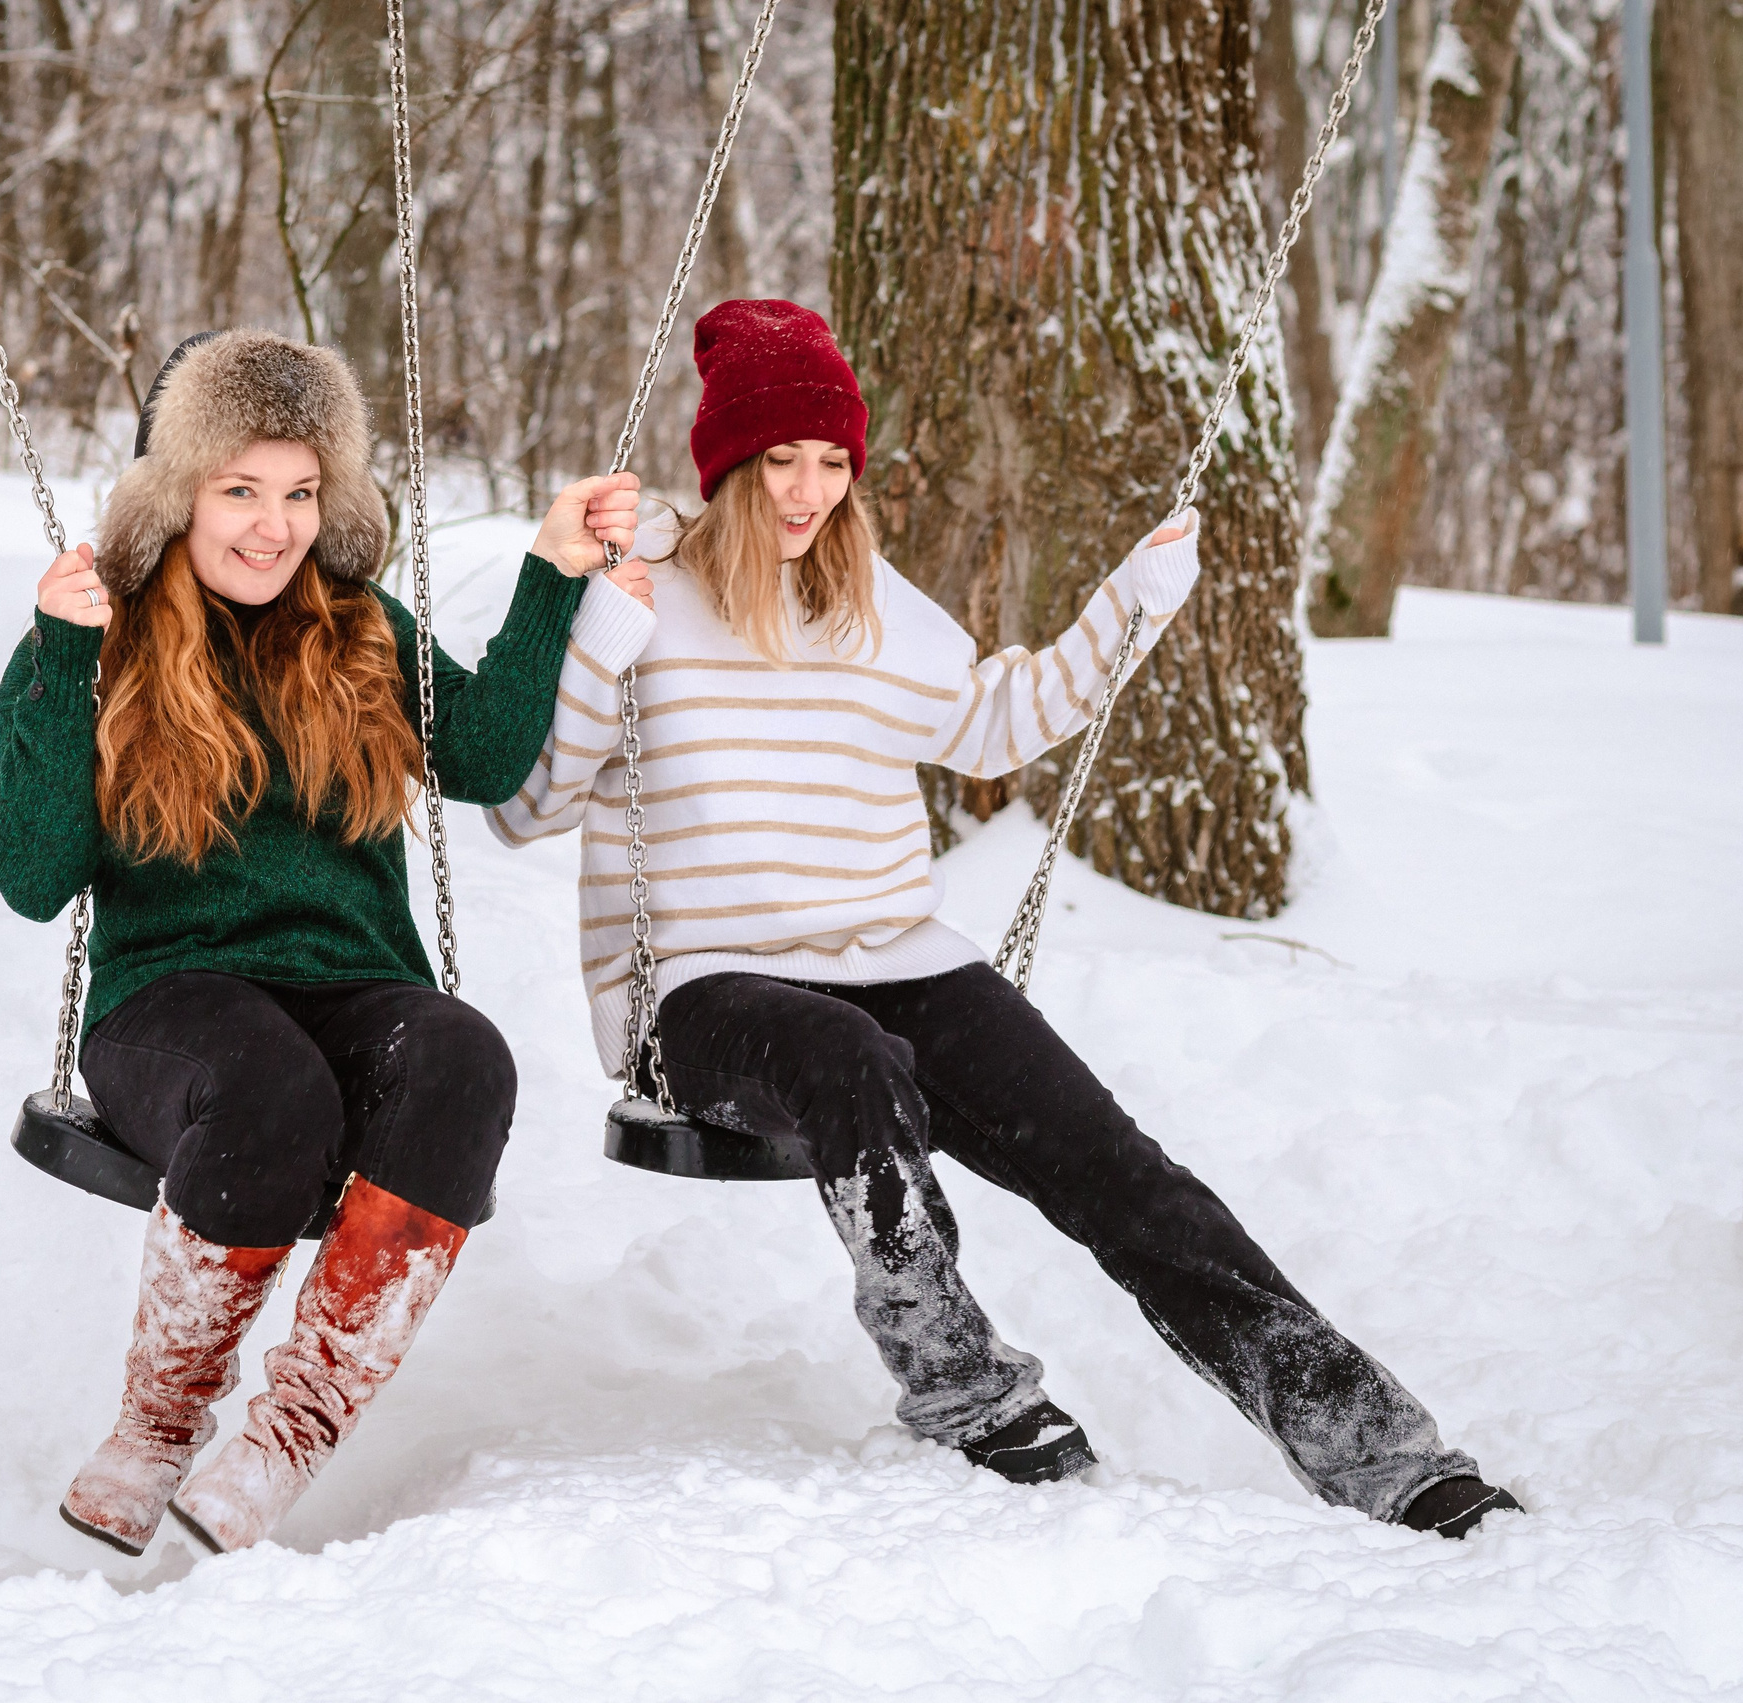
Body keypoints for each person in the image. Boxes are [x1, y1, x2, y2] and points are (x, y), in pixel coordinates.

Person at [494, 299, 1522, 1540]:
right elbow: (530, 804)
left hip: (897, 959)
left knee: (1125, 1174)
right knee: (850, 1066)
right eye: (778, 460)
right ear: (724, 463)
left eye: (831, 461)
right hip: (710, 992)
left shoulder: (876, 605)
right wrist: (601, 621)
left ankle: (1382, 1451)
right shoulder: (640, 594)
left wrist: (1128, 607)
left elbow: (997, 719)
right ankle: (959, 1381)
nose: (807, 489)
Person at [0, 329, 639, 1557]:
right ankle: (157, 1422)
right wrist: (62, 661)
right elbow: (27, 870)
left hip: (354, 985)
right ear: (173, 495)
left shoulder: (360, 624)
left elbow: (487, 755)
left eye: (297, 491)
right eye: (238, 491)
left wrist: (551, 571)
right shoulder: (97, 632)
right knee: (268, 1085)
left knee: (464, 1057)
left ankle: (290, 1431)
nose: (272, 527)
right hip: (168, 1004)